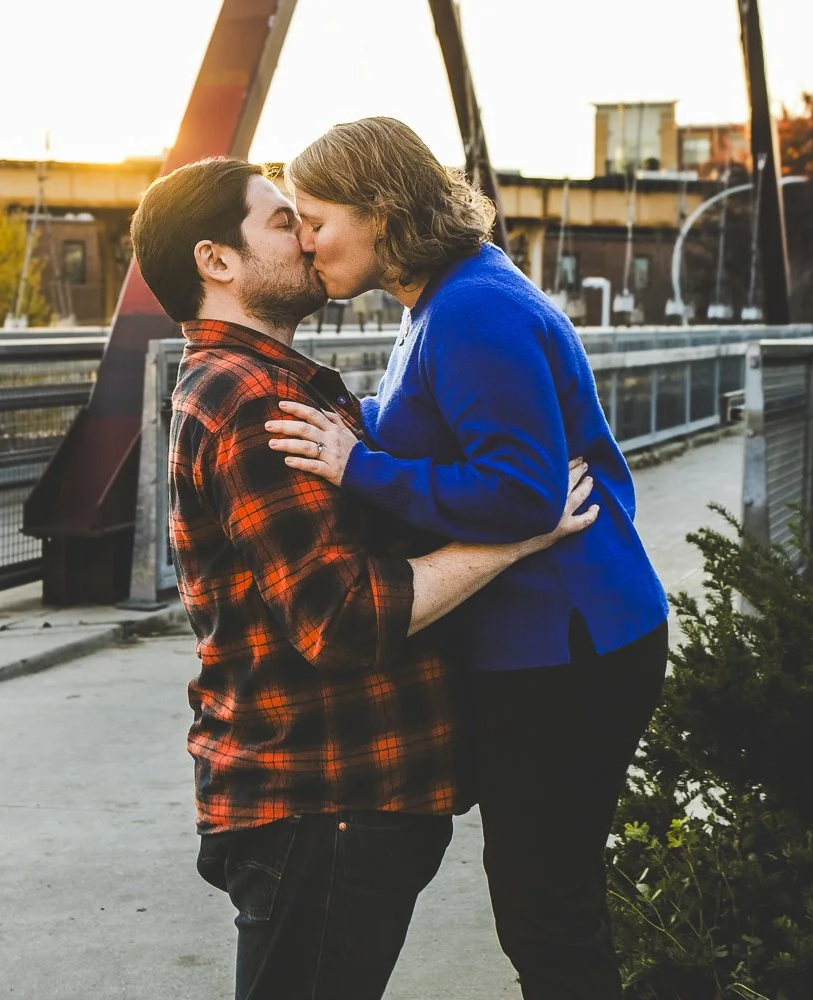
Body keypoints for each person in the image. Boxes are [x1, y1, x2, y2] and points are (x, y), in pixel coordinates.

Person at [129, 155, 599, 1000]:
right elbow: (340, 620)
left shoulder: (276, 385)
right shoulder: (250, 402)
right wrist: (518, 534)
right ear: (217, 261)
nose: (308, 239)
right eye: (283, 221)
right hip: (321, 802)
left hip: (337, 794)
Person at [268, 117, 671, 1000]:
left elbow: (525, 492)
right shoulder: (439, 301)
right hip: (545, 645)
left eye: (313, 217)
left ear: (378, 212)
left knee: (544, 907)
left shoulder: (476, 308)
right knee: (542, 895)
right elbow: (445, 427)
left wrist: (359, 466)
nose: (302, 239)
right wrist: (362, 426)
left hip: (570, 650)